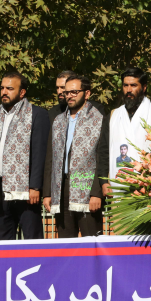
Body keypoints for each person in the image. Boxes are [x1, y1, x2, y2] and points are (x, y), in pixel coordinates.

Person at [0, 71, 50, 240]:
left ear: (22, 92)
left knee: (32, 239)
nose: (4, 92)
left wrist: (35, 186)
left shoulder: (37, 114)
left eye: (9, 88)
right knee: (3, 241)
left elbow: (40, 153)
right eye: (2, 88)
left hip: (25, 190)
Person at [43, 75, 109, 237]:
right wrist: (47, 192)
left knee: (92, 242)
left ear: (86, 94)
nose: (69, 96)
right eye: (67, 92)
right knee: (66, 245)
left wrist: (96, 192)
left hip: (87, 188)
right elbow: (50, 157)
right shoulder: (58, 120)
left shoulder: (99, 119)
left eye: (74, 92)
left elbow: (101, 157)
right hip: (62, 188)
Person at [109, 67, 151, 180]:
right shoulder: (113, 115)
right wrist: (103, 182)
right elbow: (104, 150)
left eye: (133, 85)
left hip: (147, 182)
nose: (128, 90)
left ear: (144, 88)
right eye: (125, 85)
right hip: (116, 184)